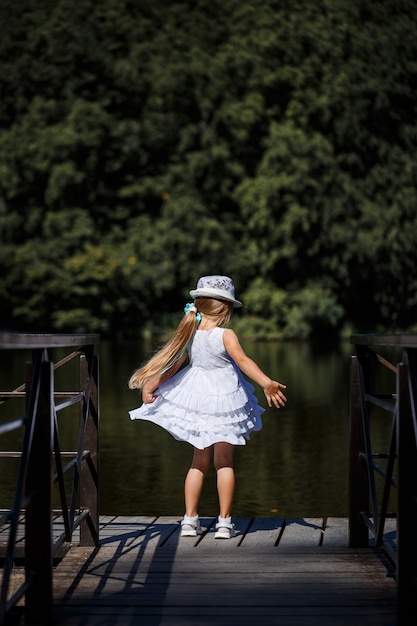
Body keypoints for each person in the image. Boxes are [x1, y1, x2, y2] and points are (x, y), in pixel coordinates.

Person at [128, 275, 287, 539]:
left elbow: (175, 364)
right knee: (224, 463)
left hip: (197, 397)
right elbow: (244, 361)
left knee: (198, 462)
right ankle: (224, 523)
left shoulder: (191, 332)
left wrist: (151, 385)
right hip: (225, 398)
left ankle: (189, 520)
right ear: (225, 308)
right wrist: (265, 382)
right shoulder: (226, 335)